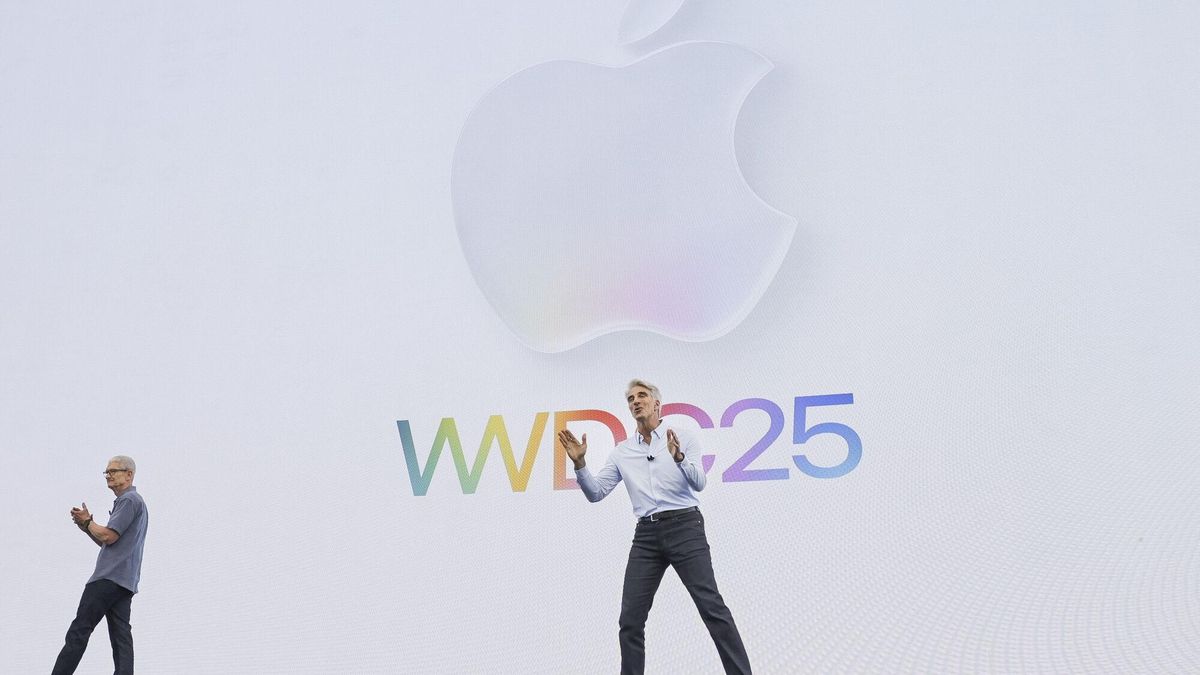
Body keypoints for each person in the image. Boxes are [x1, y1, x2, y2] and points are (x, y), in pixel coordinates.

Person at [558, 379, 752, 675]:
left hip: (685, 525)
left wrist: (679, 459)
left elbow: (699, 483)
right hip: (646, 536)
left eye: (642, 396)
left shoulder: (682, 437)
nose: (636, 401)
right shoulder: (622, 452)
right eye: (631, 399)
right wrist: (581, 465)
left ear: (656, 403)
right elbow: (596, 493)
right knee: (630, 621)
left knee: (712, 608)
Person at [53, 455, 149, 675]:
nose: (108, 475)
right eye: (106, 472)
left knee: (79, 631)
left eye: (113, 471)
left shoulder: (129, 500)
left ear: (129, 474)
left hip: (107, 579)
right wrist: (87, 527)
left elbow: (108, 537)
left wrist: (88, 522)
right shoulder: (136, 503)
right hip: (125, 582)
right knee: (121, 638)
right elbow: (108, 541)